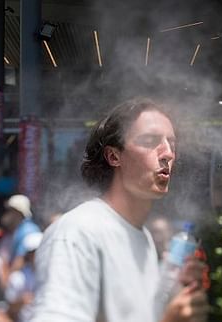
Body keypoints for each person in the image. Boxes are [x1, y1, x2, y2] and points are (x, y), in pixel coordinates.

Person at [32, 97, 209, 322]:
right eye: (150, 140)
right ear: (114, 156)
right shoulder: (77, 233)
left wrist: (173, 295)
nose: (168, 153)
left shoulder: (142, 237)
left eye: (171, 143)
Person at [5, 232, 43, 322]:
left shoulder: (51, 275)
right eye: (35, 252)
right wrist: (21, 302)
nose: (40, 255)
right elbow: (9, 309)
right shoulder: (17, 278)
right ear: (29, 255)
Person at [0, 194, 41, 275]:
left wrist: (7, 283)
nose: (7, 214)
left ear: (17, 212)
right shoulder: (21, 229)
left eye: (9, 210)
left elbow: (20, 260)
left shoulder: (27, 230)